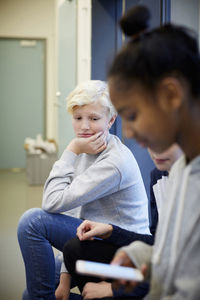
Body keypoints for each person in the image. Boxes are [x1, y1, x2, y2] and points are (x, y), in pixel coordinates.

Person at [17, 80, 151, 300]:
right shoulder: (87, 149)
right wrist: (65, 275)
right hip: (90, 235)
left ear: (111, 120)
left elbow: (50, 202)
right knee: (28, 294)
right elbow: (73, 213)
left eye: (94, 118)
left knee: (32, 222)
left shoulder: (114, 161)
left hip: (120, 250)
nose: (84, 127)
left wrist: (71, 149)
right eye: (78, 118)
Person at [102, 7, 200, 299]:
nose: (128, 133)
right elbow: (181, 258)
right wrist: (140, 255)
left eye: (132, 116)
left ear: (171, 95)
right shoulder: (183, 168)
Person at [63, 144, 183, 300]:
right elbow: (157, 243)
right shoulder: (159, 175)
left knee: (33, 222)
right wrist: (110, 231)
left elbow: (188, 266)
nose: (156, 148)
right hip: (160, 267)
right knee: (74, 250)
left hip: (180, 279)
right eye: (149, 139)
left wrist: (114, 289)